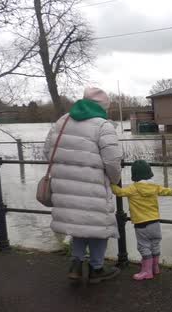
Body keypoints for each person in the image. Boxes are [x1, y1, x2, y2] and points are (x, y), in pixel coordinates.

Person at [43, 87, 123, 284]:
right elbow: (113, 161)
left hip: (65, 187)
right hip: (92, 186)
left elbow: (47, 151)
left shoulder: (62, 121)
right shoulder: (103, 125)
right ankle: (97, 268)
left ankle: (76, 264)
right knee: (98, 226)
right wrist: (114, 180)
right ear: (103, 107)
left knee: (77, 225)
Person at [110, 160, 172, 280]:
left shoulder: (132, 189)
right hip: (155, 222)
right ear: (149, 173)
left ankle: (147, 272)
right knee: (155, 244)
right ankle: (155, 268)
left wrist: (110, 184)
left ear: (134, 175)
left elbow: (119, 192)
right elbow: (166, 191)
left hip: (141, 224)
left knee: (144, 247)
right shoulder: (154, 187)